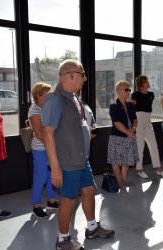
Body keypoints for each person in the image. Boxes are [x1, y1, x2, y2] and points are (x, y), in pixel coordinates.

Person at [42, 59, 114, 250]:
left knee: (90, 191)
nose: (85, 78)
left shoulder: (73, 97)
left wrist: (85, 134)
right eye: (82, 74)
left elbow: (75, 125)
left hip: (81, 158)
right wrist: (55, 168)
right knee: (69, 199)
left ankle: (92, 229)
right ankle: (62, 241)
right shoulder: (54, 99)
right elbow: (47, 135)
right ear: (70, 75)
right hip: (67, 162)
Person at [28, 82, 59, 218]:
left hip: (49, 147)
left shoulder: (48, 108)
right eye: (47, 95)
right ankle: (37, 205)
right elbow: (39, 134)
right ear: (38, 96)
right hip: (40, 149)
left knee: (50, 175)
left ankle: (51, 200)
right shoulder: (34, 109)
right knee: (40, 177)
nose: (50, 97)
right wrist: (51, 145)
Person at [130, 75, 163, 179]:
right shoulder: (135, 94)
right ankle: (139, 169)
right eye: (146, 81)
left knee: (154, 145)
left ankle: (158, 169)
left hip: (148, 120)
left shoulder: (151, 94)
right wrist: (133, 123)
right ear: (142, 84)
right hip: (139, 120)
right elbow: (131, 108)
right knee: (140, 146)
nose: (149, 82)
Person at [107, 80, 138, 188]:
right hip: (117, 136)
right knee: (115, 160)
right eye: (126, 89)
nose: (129, 92)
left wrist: (133, 129)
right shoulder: (113, 106)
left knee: (127, 160)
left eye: (129, 89)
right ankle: (119, 180)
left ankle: (124, 179)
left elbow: (135, 119)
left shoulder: (130, 105)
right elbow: (116, 123)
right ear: (119, 91)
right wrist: (129, 133)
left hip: (130, 135)